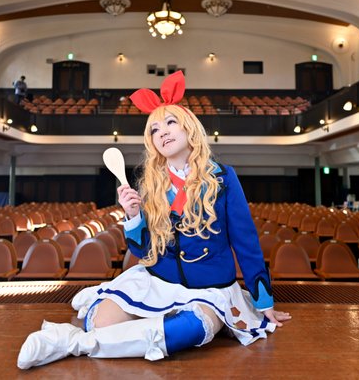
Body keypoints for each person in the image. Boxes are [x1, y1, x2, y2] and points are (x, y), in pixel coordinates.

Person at [17, 71, 291, 369]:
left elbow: (246, 242)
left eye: (170, 123)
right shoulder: (151, 183)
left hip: (209, 289)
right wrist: (133, 216)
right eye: (154, 129)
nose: (162, 132)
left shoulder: (223, 177)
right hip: (158, 281)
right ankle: (106, 336)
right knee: (100, 321)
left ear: (189, 128)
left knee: (192, 329)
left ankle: (72, 342)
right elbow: (144, 251)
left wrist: (264, 302)